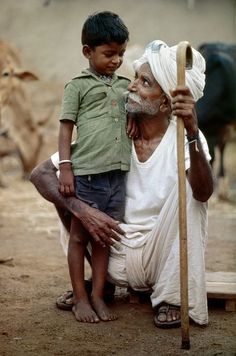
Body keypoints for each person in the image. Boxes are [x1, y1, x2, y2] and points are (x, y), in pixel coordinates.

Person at [30, 40, 214, 328]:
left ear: (165, 101)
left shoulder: (186, 138)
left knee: (193, 196)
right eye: (136, 78)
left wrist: (191, 130)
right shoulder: (113, 131)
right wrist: (83, 211)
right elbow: (40, 174)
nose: (131, 86)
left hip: (162, 259)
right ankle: (101, 285)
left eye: (144, 82)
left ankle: (172, 297)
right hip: (111, 247)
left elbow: (204, 193)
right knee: (70, 186)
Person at [56, 11, 135, 323]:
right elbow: (65, 129)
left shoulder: (126, 86)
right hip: (87, 174)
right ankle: (80, 299)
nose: (116, 61)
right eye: (109, 54)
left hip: (118, 176)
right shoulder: (76, 86)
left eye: (121, 54)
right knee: (79, 238)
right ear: (87, 51)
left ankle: (99, 296)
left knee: (104, 238)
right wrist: (65, 167)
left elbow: (140, 110)